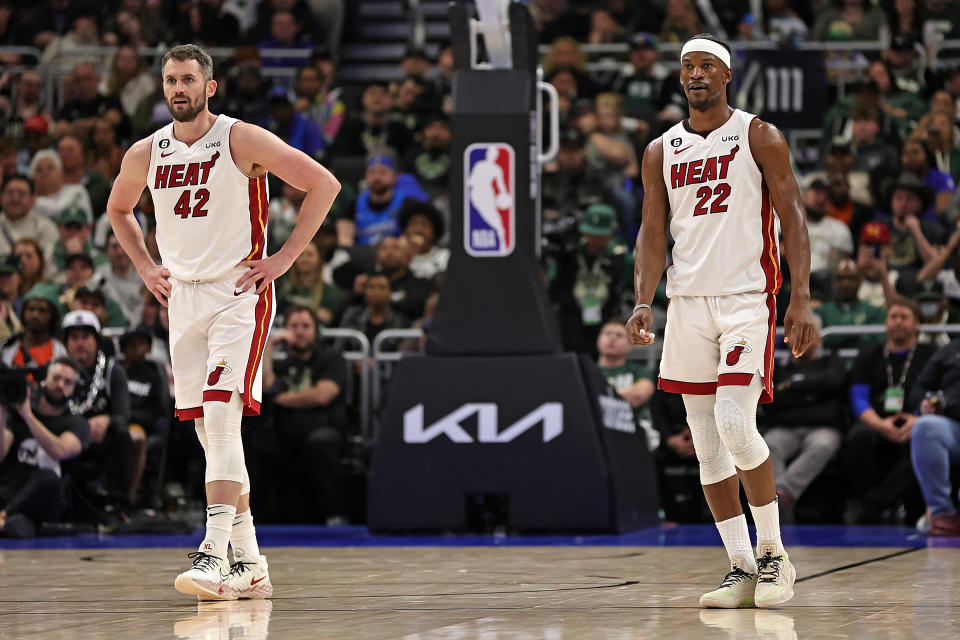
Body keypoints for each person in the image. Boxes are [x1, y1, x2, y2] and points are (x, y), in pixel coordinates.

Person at [106, 44, 340, 601]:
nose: (178, 89)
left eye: (188, 79)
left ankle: (213, 552)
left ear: (210, 87)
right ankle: (252, 562)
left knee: (220, 412)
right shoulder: (147, 151)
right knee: (208, 432)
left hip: (239, 292)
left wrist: (282, 260)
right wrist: (144, 265)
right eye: (170, 80)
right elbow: (119, 209)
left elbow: (323, 184)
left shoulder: (241, 139)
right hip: (182, 298)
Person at [627, 34, 816, 608]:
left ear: (728, 74)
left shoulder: (758, 135)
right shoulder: (661, 149)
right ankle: (738, 565)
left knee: (737, 423)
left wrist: (801, 298)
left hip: (744, 300)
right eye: (688, 67)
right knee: (708, 446)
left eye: (707, 65)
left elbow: (792, 216)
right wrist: (643, 299)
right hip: (686, 306)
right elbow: (652, 232)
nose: (696, 75)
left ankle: (774, 554)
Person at [844, 300, 935, 524]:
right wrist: (879, 424)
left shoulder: (930, 355)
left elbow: (936, 396)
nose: (897, 322)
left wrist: (918, 420)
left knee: (925, 441)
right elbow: (858, 398)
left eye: (904, 317)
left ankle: (871, 505)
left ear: (917, 325)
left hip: (916, 421)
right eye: (893, 317)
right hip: (876, 422)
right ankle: (864, 501)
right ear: (886, 323)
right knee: (858, 437)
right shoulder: (869, 356)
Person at [259, 304, 348, 523]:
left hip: (322, 427)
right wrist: (269, 344)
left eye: (306, 326)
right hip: (283, 431)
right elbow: (263, 385)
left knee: (320, 444)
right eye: (294, 326)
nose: (299, 331)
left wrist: (282, 399)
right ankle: (259, 517)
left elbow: (321, 395)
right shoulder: (280, 361)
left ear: (315, 330)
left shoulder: (331, 358)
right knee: (256, 442)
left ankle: (332, 515)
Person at [761, 318, 846, 523]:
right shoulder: (778, 370)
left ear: (818, 338)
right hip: (784, 428)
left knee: (823, 445)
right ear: (788, 340)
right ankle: (782, 502)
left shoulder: (832, 362)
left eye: (807, 333)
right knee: (768, 445)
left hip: (823, 428)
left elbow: (834, 384)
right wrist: (814, 395)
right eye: (796, 334)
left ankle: (782, 496)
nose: (801, 339)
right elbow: (773, 402)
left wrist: (792, 388)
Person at [0, 356, 89, 538]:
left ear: (74, 389)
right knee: (20, 525)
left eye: (67, 382)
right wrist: (1, 413)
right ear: (44, 381)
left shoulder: (77, 423)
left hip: (42, 498)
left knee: (49, 478)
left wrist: (28, 416)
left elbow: (60, 451)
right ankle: (15, 523)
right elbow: (1, 453)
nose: (60, 385)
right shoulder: (15, 414)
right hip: (9, 489)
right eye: (56, 378)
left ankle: (4, 515)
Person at [909, 338, 960, 536]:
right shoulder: (951, 350)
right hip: (953, 425)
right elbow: (919, 387)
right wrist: (923, 402)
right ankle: (942, 515)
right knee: (925, 426)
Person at [596, 319, 658, 450]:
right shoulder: (587, 370)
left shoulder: (640, 370)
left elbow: (639, 395)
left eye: (619, 335)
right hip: (596, 433)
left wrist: (598, 399)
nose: (612, 338)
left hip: (632, 432)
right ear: (598, 339)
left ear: (630, 344)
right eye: (607, 333)